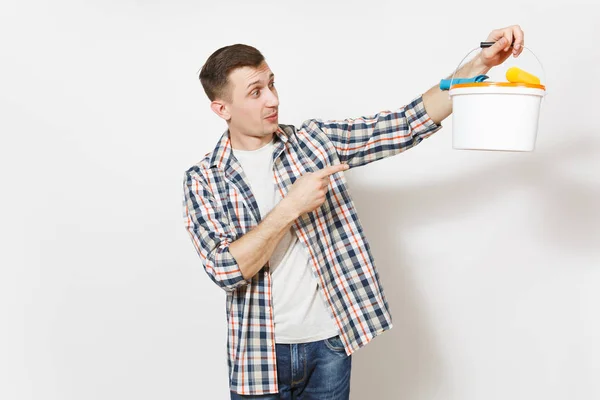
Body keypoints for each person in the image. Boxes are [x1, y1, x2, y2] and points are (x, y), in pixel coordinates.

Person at [182, 25, 525, 399]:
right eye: (255, 92)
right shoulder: (204, 179)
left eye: (272, 84)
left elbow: (407, 123)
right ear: (222, 108)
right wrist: (290, 206)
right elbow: (226, 270)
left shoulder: (315, 142)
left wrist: (481, 63)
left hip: (330, 345)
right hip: (259, 357)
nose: (273, 100)